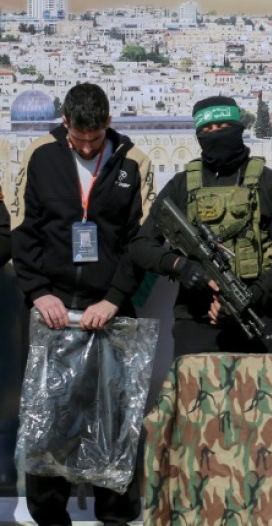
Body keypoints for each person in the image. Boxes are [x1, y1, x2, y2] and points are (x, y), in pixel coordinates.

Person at [10, 82, 153, 526]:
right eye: (79, 138)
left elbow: (141, 242)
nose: (87, 146)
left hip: (109, 314)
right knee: (49, 419)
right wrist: (38, 292)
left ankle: (115, 516)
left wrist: (113, 299)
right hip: (51, 312)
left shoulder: (134, 161)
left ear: (108, 124)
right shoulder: (41, 156)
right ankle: (50, 515)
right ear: (65, 124)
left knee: (114, 418)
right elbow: (24, 228)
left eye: (95, 138)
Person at [130, 95, 272, 354]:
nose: (214, 135)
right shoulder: (181, 185)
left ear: (238, 128)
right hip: (198, 319)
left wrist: (252, 295)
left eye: (221, 128)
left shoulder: (267, 183)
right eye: (206, 130)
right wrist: (181, 266)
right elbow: (141, 245)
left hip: (259, 316)